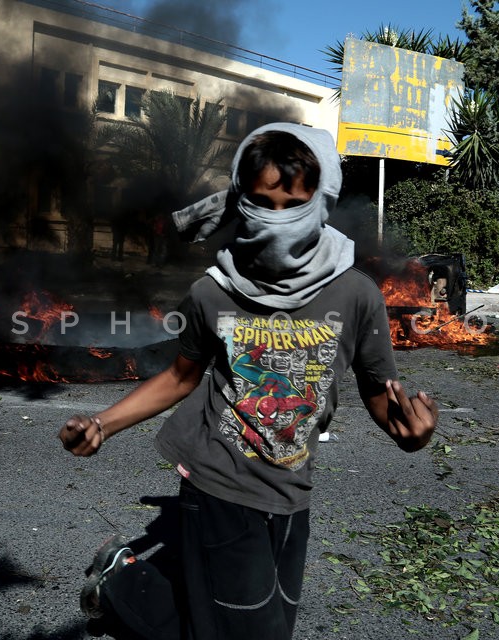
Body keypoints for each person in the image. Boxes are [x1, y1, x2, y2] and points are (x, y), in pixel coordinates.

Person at [58, 122, 438, 640]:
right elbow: (179, 376)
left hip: (292, 486)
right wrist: (103, 423)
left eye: (294, 204)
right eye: (263, 203)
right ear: (240, 201)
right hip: (218, 480)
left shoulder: (356, 294)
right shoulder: (213, 292)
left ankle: (122, 580)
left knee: (259, 627)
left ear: (320, 201)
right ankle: (124, 582)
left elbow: (377, 388)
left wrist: (405, 431)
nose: (279, 221)